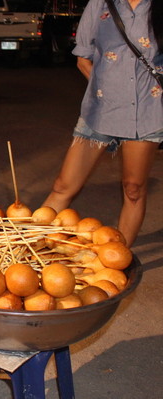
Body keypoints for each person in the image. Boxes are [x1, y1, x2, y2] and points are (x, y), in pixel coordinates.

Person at [42, 0, 163, 247]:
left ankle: (117, 257)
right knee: (63, 185)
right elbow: (83, 58)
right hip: (100, 111)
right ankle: (28, 246)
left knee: (133, 189)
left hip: (146, 112)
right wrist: (108, 92)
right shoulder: (101, 3)